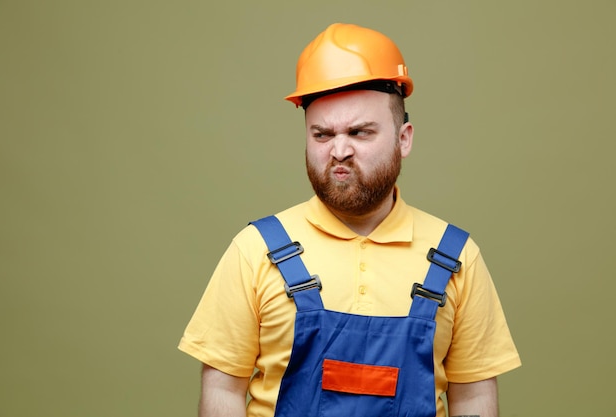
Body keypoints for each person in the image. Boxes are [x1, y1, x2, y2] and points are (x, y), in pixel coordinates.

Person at [179, 23, 521, 417]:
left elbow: (474, 399)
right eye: (322, 135)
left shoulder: (456, 258)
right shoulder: (255, 250)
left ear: (404, 138)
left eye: (359, 132)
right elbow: (221, 390)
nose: (339, 151)